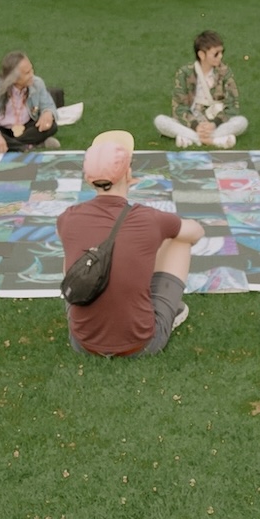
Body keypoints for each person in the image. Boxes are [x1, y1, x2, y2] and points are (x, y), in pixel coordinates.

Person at [59, 130, 202, 357]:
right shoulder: (150, 219)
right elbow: (196, 233)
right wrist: (163, 236)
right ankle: (164, 310)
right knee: (179, 241)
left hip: (82, 343)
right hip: (141, 345)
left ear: (88, 179)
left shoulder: (67, 217)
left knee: (77, 252)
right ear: (129, 173)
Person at [156, 29, 247, 148]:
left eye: (222, 52)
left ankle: (190, 138)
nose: (221, 56)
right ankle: (214, 140)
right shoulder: (184, 73)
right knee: (160, 121)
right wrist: (195, 125)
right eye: (216, 54)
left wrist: (214, 124)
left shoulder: (225, 72)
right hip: (191, 121)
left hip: (216, 121)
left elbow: (232, 106)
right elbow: (179, 107)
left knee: (241, 122)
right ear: (201, 55)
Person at [0, 50, 60, 154]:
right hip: (1, 129)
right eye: (27, 73)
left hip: (26, 128)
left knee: (52, 126)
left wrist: (48, 113)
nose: (32, 75)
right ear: (14, 78)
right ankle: (28, 146)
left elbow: (48, 104)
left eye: (32, 70)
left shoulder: (37, 83)